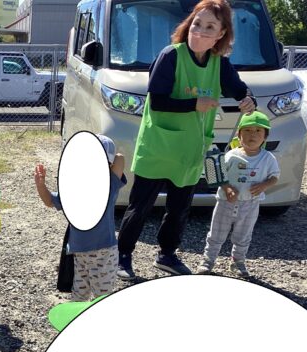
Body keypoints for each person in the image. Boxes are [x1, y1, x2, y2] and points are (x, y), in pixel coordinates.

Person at [116, 0, 256, 280]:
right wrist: (194, 104)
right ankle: (122, 256)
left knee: (179, 208)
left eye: (209, 27)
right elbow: (157, 101)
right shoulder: (171, 55)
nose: (199, 30)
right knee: (140, 206)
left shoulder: (219, 64)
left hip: (191, 149)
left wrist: (248, 100)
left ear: (221, 34)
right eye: (197, 23)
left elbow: (240, 90)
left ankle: (167, 255)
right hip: (158, 146)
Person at [34, 135, 126, 301]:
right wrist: (41, 185)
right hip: (79, 253)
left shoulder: (109, 185)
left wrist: (102, 154)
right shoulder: (74, 188)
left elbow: (120, 158)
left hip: (104, 253)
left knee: (102, 299)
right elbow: (49, 201)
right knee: (78, 296)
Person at [197, 111, 279, 277]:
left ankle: (238, 261)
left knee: (243, 235)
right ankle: (208, 260)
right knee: (216, 233)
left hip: (250, 204)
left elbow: (274, 177)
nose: (252, 135)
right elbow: (217, 175)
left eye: (258, 131)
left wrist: (264, 185)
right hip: (225, 203)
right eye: (247, 130)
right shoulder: (231, 155)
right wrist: (227, 188)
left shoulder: (268, 158)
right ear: (239, 135)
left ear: (265, 136)